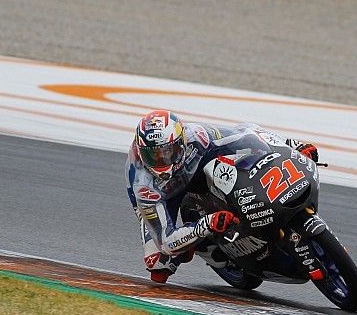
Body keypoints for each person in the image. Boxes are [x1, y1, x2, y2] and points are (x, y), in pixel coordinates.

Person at [125, 110, 319, 283]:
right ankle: (206, 248)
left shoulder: (198, 136)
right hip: (163, 196)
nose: (162, 161)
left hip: (197, 173)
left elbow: (247, 133)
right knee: (159, 266)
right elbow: (165, 241)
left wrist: (293, 146)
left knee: (246, 142)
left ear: (181, 142)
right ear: (142, 153)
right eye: (154, 155)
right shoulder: (143, 185)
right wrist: (206, 224)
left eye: (168, 152)